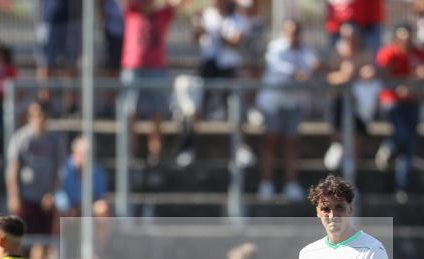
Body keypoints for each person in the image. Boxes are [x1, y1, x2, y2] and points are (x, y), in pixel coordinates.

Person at [175, 0, 248, 168]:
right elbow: (195, 38)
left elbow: (235, 42)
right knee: (195, 108)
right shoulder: (206, 15)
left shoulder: (238, 18)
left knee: (236, 108)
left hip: (228, 67)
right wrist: (199, 28)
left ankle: (241, 147)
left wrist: (216, 32)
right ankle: (188, 147)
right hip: (208, 66)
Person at [256, 20, 321, 202]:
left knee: (292, 142)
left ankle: (291, 183)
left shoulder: (306, 49)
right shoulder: (276, 47)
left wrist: (313, 67)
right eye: (290, 31)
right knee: (271, 140)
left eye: (296, 31)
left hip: (294, 102)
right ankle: (266, 183)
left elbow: (313, 64)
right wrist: (297, 71)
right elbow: (278, 66)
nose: (293, 35)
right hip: (273, 102)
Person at [121, 0, 187, 166]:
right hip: (132, 67)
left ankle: (155, 156)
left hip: (157, 68)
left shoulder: (162, 13)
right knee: (130, 112)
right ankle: (130, 155)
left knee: (157, 114)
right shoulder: (133, 10)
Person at [6, 101, 65, 259]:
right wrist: (14, 196)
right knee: (17, 241)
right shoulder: (21, 138)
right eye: (36, 115)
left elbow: (59, 171)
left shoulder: (55, 141)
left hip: (43, 199)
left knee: (41, 243)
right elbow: (13, 169)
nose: (39, 119)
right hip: (26, 198)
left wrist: (53, 193)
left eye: (43, 115)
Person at [375, 23, 424, 204]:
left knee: (409, 144)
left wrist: (417, 81)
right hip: (392, 102)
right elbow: (382, 73)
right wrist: (399, 87)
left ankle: (402, 186)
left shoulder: (419, 53)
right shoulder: (388, 52)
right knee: (403, 135)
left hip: (412, 102)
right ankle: (389, 147)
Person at [323, 23, 379, 172]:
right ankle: (336, 146)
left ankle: (350, 177)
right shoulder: (335, 52)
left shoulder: (366, 51)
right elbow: (329, 76)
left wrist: (356, 75)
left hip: (359, 104)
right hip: (339, 100)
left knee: (357, 137)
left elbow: (370, 74)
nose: (350, 40)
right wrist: (346, 76)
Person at [55, 136, 113, 257]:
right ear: (76, 153)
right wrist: (69, 206)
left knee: (103, 209)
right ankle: (55, 252)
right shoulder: (64, 169)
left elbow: (100, 196)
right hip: (69, 209)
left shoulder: (97, 171)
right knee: (58, 210)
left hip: (88, 208)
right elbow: (59, 192)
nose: (88, 157)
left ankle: (96, 253)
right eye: (85, 153)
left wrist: (85, 205)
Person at [36, 0, 82, 111]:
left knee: (71, 64)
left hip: (72, 20)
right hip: (49, 19)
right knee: (46, 64)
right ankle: (45, 103)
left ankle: (72, 105)